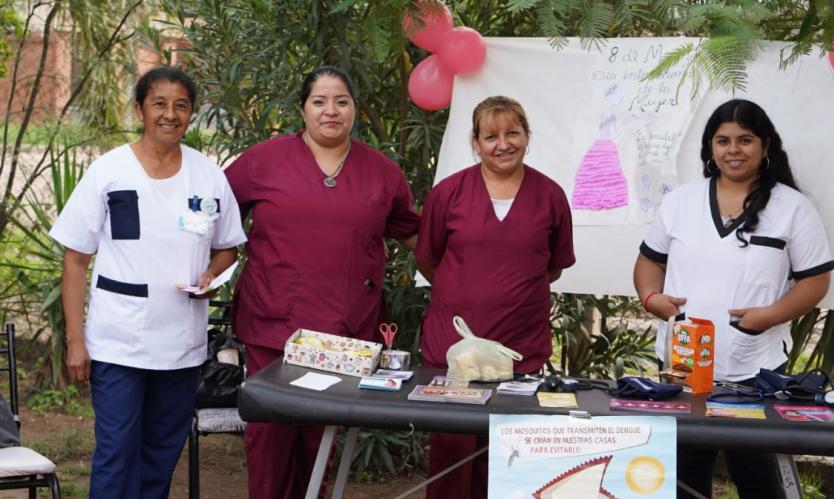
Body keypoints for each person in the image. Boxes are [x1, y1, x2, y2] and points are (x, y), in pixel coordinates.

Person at [225, 65, 420, 499]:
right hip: (273, 323)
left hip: (343, 332)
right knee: (270, 438)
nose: (330, 111)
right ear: (302, 110)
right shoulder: (262, 161)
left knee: (321, 441)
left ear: (354, 110)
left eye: (341, 101)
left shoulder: (382, 172)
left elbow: (413, 234)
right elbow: (217, 221)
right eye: (319, 101)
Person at [52, 66, 246, 499]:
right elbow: (76, 260)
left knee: (162, 452)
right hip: (118, 341)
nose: (170, 114)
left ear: (191, 114)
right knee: (117, 452)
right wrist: (74, 341)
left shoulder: (208, 176)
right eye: (159, 103)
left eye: (181, 105)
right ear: (140, 109)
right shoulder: (109, 172)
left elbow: (229, 246)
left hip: (180, 344)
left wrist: (212, 275)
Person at [633, 98, 834, 498]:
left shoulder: (792, 207)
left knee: (759, 478)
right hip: (681, 369)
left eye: (745, 140)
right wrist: (650, 297)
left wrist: (771, 315)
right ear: (710, 147)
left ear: (765, 146)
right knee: (682, 480)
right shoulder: (681, 202)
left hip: (754, 372)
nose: (733, 150)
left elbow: (816, 281)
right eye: (723, 140)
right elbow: (648, 262)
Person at [415, 95, 576, 499]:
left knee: (510, 454)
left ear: (527, 137)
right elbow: (428, 260)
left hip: (519, 347)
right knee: (452, 454)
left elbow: (552, 266)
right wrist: (467, 293)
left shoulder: (551, 196)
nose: (503, 143)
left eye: (512, 133)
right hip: (454, 352)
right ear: (475, 142)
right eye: (491, 136)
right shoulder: (448, 194)